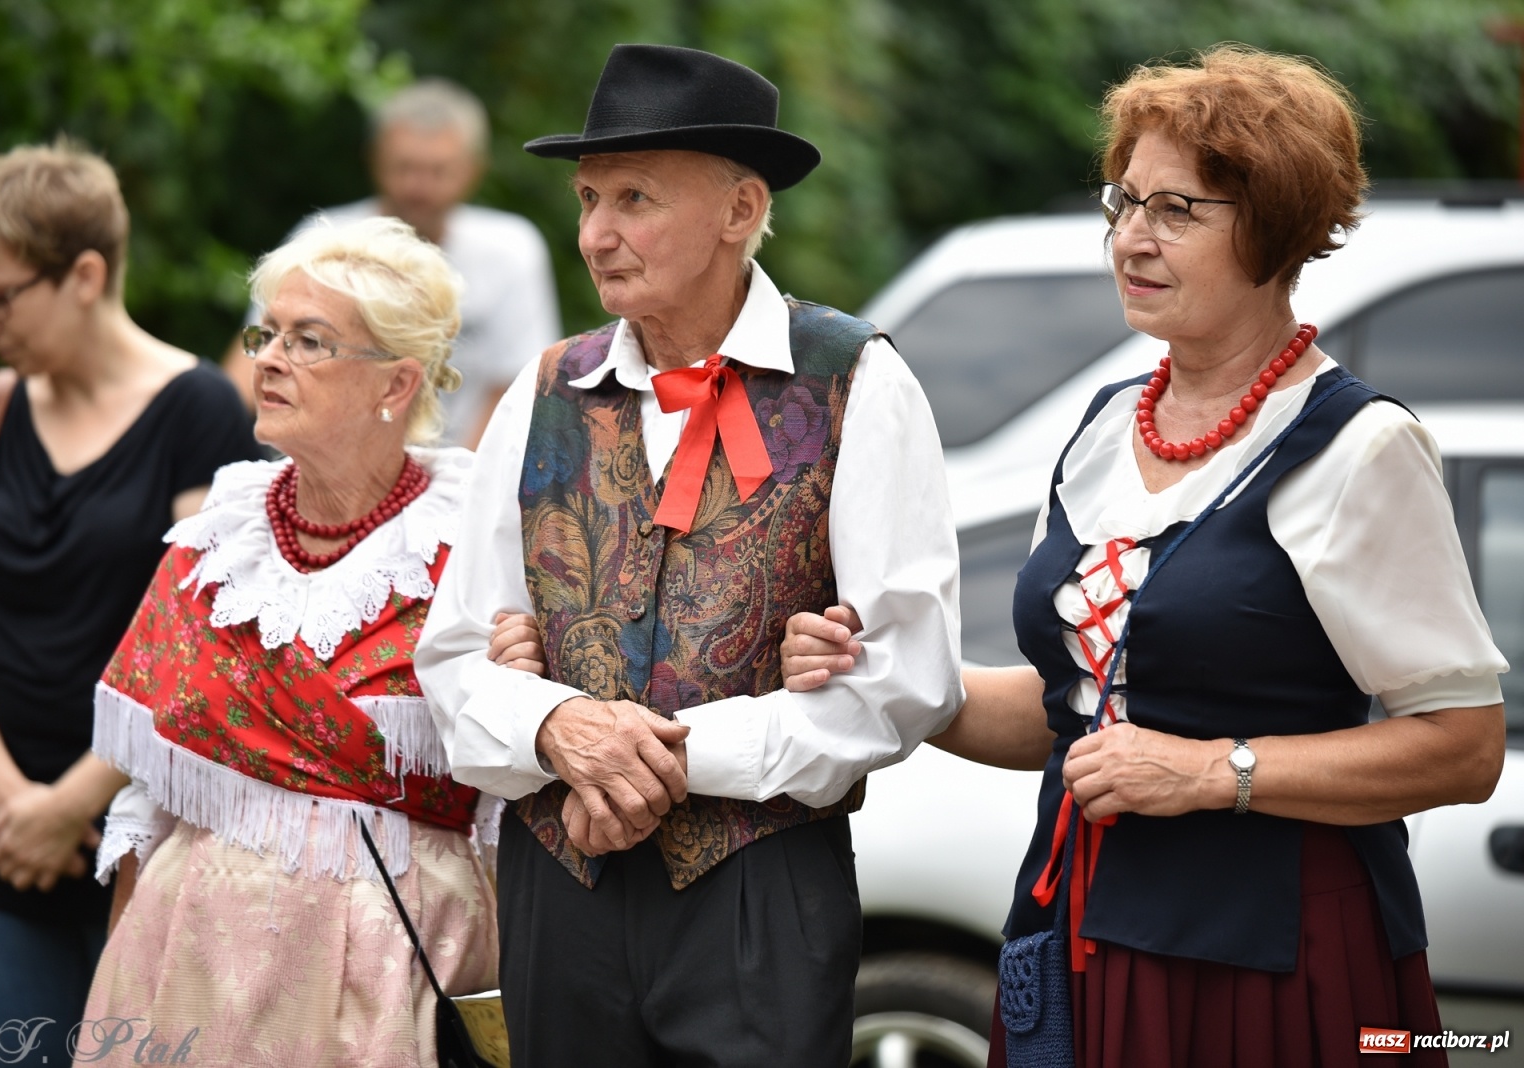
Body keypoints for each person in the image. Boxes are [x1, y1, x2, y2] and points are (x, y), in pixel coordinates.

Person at [781, 45, 1508, 1068]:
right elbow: (1066, 711)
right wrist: (892, 678)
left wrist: (1215, 771)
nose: (1131, 237)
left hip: (1273, 953)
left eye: (1176, 211)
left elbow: (1465, 747)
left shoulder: (1360, 448)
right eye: (1122, 202)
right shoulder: (1105, 424)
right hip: (1082, 921)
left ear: (1272, 227)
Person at [413, 44, 965, 1068]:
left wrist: (665, 758)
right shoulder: (546, 391)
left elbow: (906, 676)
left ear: (740, 209)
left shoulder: (850, 379)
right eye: (586, 199)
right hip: (558, 882)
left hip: (756, 889)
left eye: (634, 198)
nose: (595, 235)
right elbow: (451, 656)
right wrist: (562, 727)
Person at [80, 216, 546, 1066]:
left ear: (396, 383)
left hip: (392, 961)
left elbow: (516, 800)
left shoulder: (479, 543)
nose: (267, 358)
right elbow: (154, 791)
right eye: (267, 332)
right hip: (190, 961)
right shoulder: (214, 541)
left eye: (309, 340)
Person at [0, 140, 259, 1066]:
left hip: (142, 833)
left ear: (83, 274)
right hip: (1, 839)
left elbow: (204, 641)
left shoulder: (200, 413)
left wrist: (75, 802)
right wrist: (11, 803)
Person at [225, 78, 561, 449]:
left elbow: (519, 386)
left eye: (438, 171)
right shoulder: (321, 239)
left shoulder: (511, 251)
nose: (419, 186)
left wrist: (461, 486)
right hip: (320, 461)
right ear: (374, 158)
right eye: (404, 167)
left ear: (474, 170)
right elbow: (252, 361)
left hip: (454, 468)